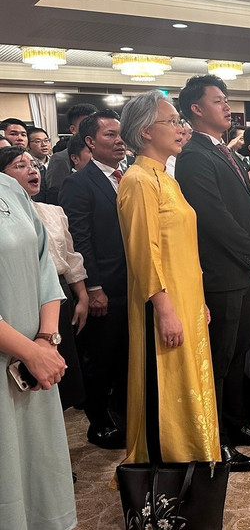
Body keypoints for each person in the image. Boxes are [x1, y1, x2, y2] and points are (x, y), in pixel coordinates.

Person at [175, 75, 250, 473]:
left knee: (237, 356)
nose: (226, 106)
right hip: (222, 274)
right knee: (218, 362)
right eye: (218, 100)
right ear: (196, 109)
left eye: (226, 99)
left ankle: (237, 425)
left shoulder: (226, 152)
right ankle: (216, 441)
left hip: (244, 270)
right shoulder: (194, 156)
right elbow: (212, 217)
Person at [116, 90, 220, 466]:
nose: (180, 128)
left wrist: (198, 301)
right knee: (166, 381)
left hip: (186, 297)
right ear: (145, 131)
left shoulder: (166, 178)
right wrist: (165, 309)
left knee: (191, 377)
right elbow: (143, 253)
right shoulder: (138, 179)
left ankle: (195, 457)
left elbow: (184, 249)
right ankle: (167, 465)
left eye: (179, 121)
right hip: (162, 301)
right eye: (172, 121)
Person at [0, 172, 77, 530]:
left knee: (38, 463)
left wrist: (46, 340)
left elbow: (45, 264)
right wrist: (29, 352)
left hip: (35, 361)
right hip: (21, 355)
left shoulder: (9, 188)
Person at [60, 109, 129, 449]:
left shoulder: (129, 175)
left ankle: (124, 418)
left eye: (120, 134)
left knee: (126, 358)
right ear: (90, 141)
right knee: (101, 358)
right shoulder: (79, 182)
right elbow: (80, 239)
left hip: (133, 283)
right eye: (110, 135)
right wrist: (93, 287)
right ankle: (99, 423)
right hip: (105, 286)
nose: (119, 141)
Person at [2, 147, 88, 410]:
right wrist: (31, 350)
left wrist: (47, 339)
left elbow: (59, 260)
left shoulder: (48, 210)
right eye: (20, 165)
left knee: (58, 379)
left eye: (34, 165)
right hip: (13, 303)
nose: (32, 170)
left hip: (53, 297)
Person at [45, 104, 97, 204]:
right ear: (73, 129)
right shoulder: (60, 159)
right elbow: (56, 195)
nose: (92, 128)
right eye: (86, 124)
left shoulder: (104, 153)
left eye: (95, 124)